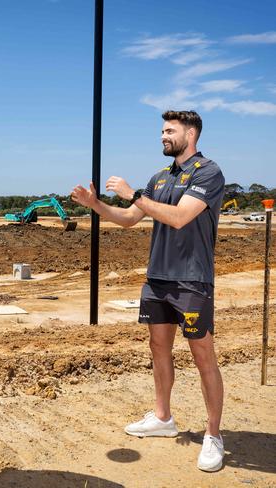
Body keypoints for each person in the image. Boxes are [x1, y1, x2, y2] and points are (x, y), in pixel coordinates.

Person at [71, 110, 225, 472]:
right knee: (159, 348)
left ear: (191, 133)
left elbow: (179, 216)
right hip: (158, 279)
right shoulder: (160, 177)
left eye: (169, 130)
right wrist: (95, 204)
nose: (163, 136)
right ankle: (163, 417)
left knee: (203, 356)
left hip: (191, 279)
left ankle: (213, 435)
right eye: (162, 130)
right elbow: (128, 218)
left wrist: (133, 193)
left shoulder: (208, 172)